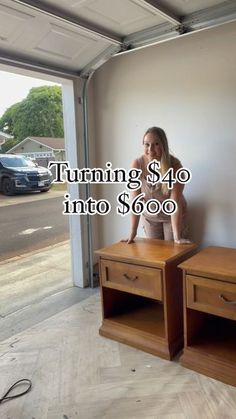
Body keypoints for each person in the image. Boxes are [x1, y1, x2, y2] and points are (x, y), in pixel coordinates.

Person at [124, 126, 190, 244]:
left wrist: (177, 237)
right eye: (147, 144)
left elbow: (174, 202)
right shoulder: (137, 164)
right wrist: (133, 232)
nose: (151, 149)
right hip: (150, 218)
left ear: (163, 145)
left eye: (156, 144)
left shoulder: (175, 166)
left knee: (172, 250)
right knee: (155, 255)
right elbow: (136, 201)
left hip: (172, 217)